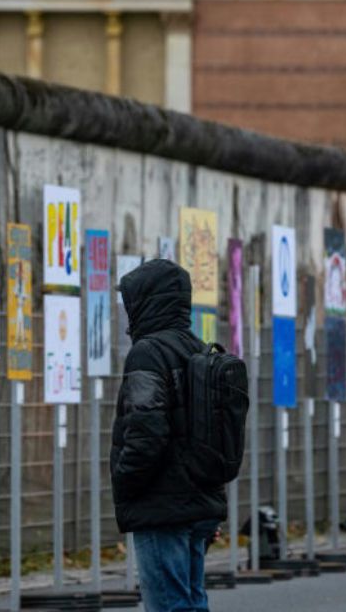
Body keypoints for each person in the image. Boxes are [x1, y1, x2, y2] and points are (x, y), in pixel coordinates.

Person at [110, 259, 226, 612]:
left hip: (161, 505)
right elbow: (214, 436)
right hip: (199, 503)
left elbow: (147, 432)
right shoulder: (199, 350)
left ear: (146, 301)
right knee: (191, 601)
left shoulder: (148, 353)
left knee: (168, 606)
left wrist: (126, 485)